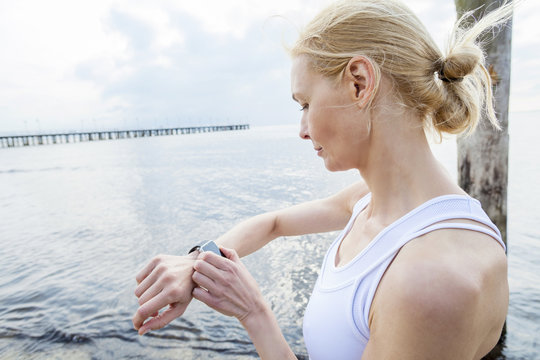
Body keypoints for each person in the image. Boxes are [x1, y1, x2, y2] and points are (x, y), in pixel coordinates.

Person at [132, 0, 512, 358]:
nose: (301, 129)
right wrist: (197, 261)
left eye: (305, 104)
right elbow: (274, 223)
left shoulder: (430, 282)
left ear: (359, 83)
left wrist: (254, 313)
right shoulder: (371, 200)